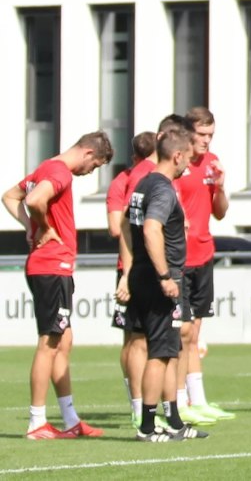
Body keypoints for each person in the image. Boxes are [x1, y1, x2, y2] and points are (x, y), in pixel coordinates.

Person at [6, 130, 113, 439]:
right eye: (94, 166)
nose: (90, 172)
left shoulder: (47, 167)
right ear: (89, 154)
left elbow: (10, 196)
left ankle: (70, 419)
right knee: (49, 342)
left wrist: (30, 227)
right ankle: (37, 422)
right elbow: (34, 199)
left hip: (51, 266)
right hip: (51, 266)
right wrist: (44, 227)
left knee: (63, 341)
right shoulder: (60, 172)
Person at [125, 126, 204, 443]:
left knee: (170, 351)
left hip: (142, 275)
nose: (189, 165)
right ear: (177, 155)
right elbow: (151, 229)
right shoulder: (162, 189)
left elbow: (127, 226)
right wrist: (164, 276)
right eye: (188, 158)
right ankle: (146, 427)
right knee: (159, 353)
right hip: (159, 280)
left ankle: (174, 422)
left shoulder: (143, 184)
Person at [173, 108, 232, 425]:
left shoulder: (212, 163)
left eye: (211, 135)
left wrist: (220, 187)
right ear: (188, 133)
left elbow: (220, 213)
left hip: (204, 256)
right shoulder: (177, 163)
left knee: (194, 333)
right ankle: (179, 399)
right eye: (202, 134)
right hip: (180, 260)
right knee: (182, 332)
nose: (207, 141)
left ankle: (198, 400)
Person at [107, 131, 156, 427]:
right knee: (137, 339)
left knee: (135, 338)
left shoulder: (122, 179)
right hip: (133, 267)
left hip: (135, 267)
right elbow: (118, 226)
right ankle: (138, 405)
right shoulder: (137, 178)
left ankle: (138, 404)